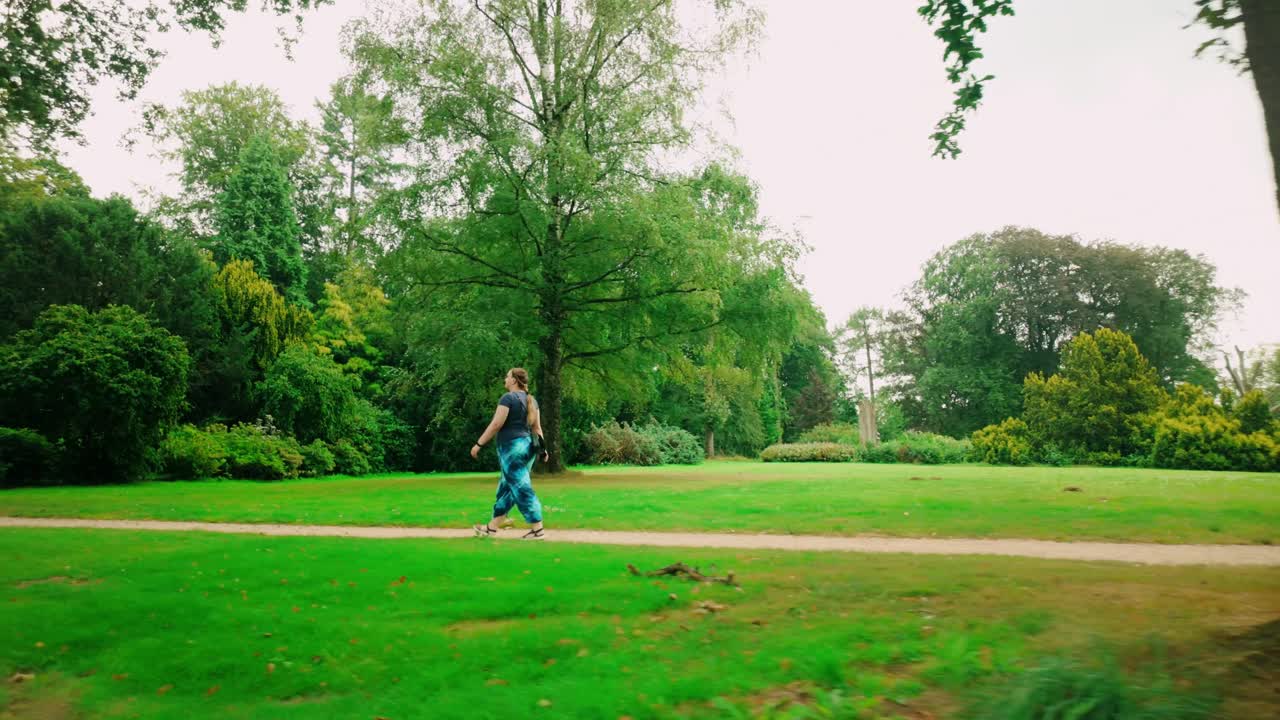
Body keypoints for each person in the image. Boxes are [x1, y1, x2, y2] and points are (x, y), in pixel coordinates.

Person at [471, 367, 550, 539]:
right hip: (527, 448)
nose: (505, 380)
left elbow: (496, 424)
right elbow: (537, 428)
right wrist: (543, 450)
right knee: (507, 488)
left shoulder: (508, 398)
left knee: (522, 488)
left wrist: (479, 444)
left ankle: (538, 530)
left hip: (512, 449)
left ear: (514, 380)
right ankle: (490, 528)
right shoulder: (532, 400)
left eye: (507, 377)